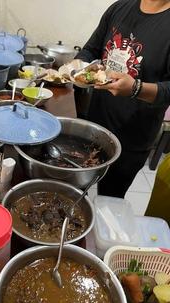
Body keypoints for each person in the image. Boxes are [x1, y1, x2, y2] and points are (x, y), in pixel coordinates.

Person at [74, 0, 170, 198]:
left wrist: (136, 88)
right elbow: (91, 49)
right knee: (75, 192)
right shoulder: (119, 8)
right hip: (95, 127)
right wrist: (79, 65)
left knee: (110, 201)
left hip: (132, 139)